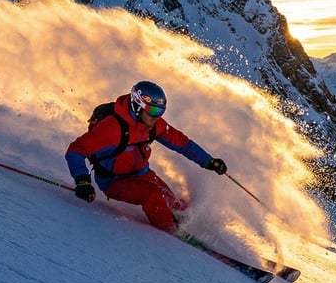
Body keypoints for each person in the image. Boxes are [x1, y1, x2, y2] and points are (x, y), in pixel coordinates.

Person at [65, 80, 228, 233]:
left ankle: (179, 222)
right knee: (152, 196)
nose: (157, 117)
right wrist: (82, 180)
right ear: (138, 105)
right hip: (114, 181)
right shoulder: (112, 129)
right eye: (154, 111)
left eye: (161, 111)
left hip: (143, 174)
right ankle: (173, 233)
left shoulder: (153, 125)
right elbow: (75, 150)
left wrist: (208, 161)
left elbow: (182, 143)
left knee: (175, 204)